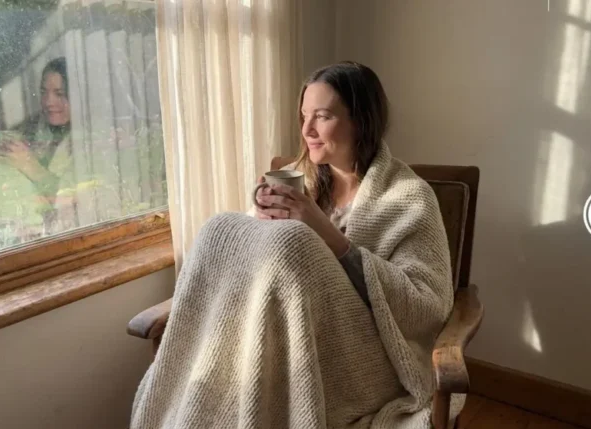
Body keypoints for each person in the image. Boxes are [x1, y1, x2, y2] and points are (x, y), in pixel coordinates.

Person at [131, 61, 462, 428]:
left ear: (361, 120)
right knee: (219, 228)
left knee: (295, 240)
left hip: (363, 356)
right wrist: (261, 218)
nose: (306, 130)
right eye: (304, 116)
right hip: (281, 338)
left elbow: (427, 305)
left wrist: (323, 232)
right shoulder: (302, 181)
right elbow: (259, 268)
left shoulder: (410, 196)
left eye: (322, 116)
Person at [0, 57, 77, 236]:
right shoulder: (36, 128)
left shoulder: (90, 141)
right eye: (44, 92)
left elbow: (79, 200)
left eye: (59, 93)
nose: (48, 102)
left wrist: (30, 165)